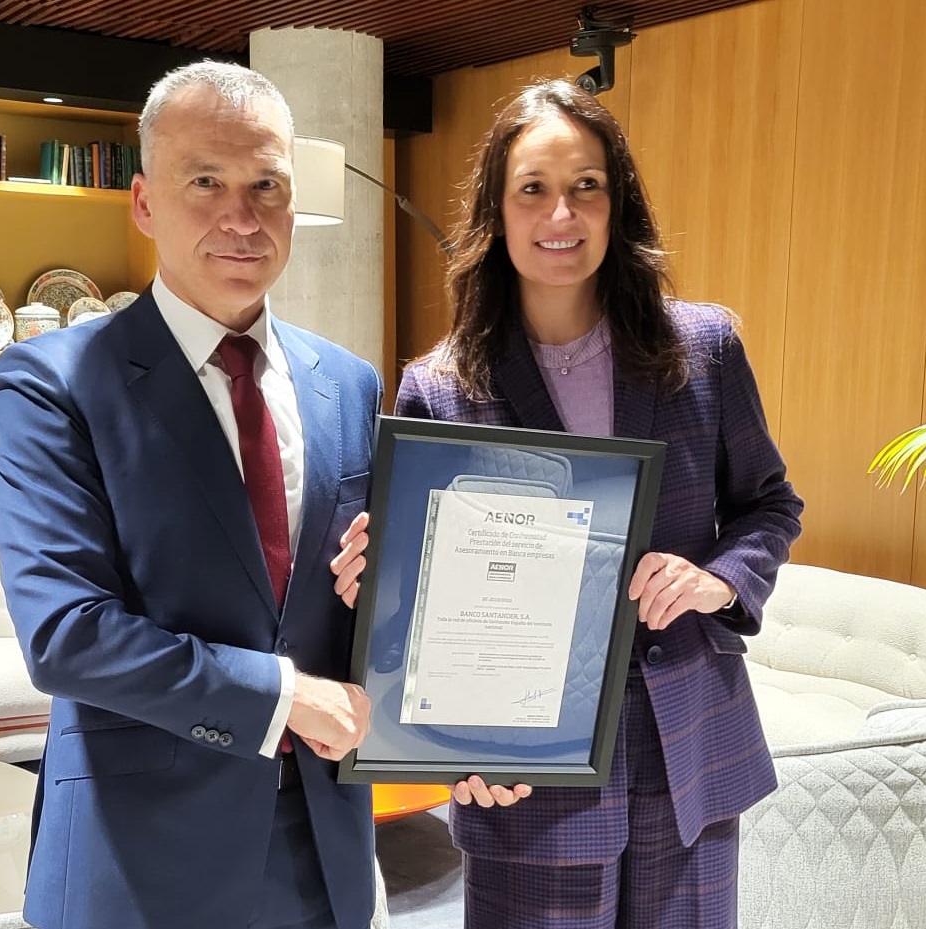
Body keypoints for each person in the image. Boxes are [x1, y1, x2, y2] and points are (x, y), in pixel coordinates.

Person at [335, 79, 803, 927]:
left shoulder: (705, 348)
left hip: (688, 739)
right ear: (498, 212)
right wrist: (442, 736)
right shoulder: (439, 389)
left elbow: (769, 505)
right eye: (534, 189)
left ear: (617, 203)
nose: (563, 213)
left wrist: (718, 581)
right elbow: (417, 597)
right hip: (524, 765)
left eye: (587, 185)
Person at [0, 61, 382, 929]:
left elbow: (361, 609)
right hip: (141, 851)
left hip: (323, 844)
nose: (241, 218)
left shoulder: (349, 384)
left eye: (266, 185)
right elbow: (65, 634)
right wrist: (282, 696)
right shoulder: (55, 381)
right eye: (205, 181)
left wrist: (395, 588)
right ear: (143, 202)